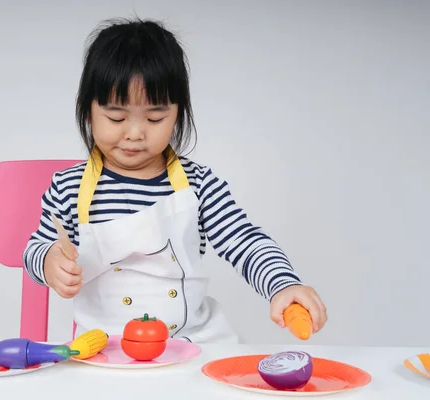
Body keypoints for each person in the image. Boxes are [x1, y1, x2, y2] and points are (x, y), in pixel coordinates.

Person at [23, 17, 327, 343]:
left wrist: (284, 284)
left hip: (192, 346)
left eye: (155, 118)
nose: (135, 133)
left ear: (177, 115)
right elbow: (35, 249)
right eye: (116, 117)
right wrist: (49, 261)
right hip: (104, 352)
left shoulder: (198, 185)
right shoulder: (68, 188)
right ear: (88, 112)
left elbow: (245, 241)